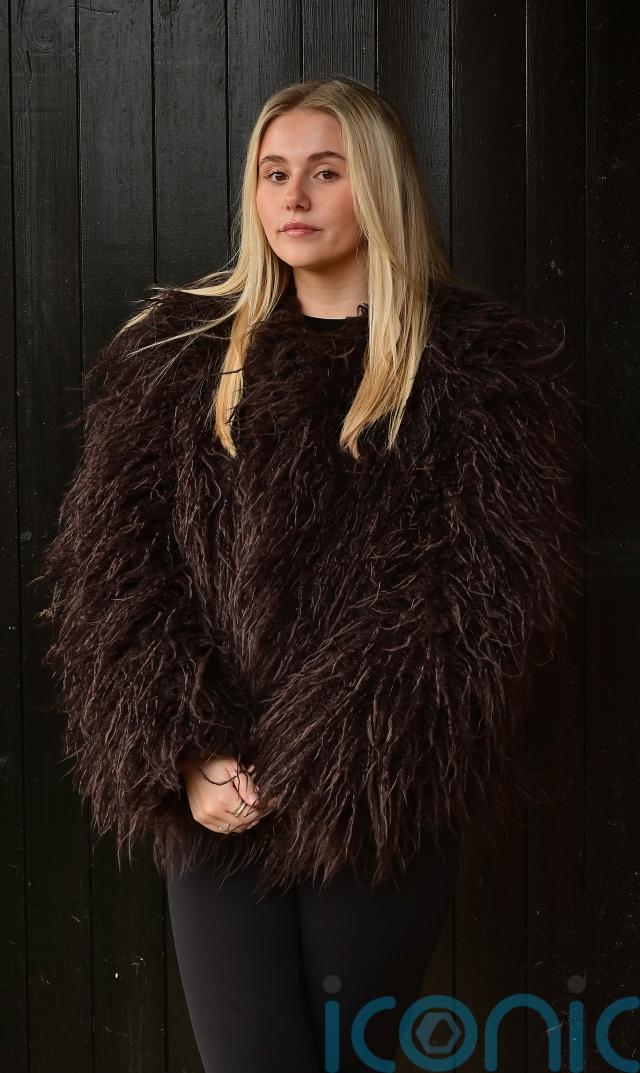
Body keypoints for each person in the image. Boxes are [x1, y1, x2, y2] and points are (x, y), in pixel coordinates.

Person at [35, 77, 583, 1072]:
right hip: (219, 799)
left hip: (377, 794)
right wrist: (189, 750)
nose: (293, 196)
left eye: (325, 173)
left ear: (377, 188)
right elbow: (118, 574)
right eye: (274, 172)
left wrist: (324, 759)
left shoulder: (476, 371)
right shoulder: (179, 358)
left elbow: (476, 596)